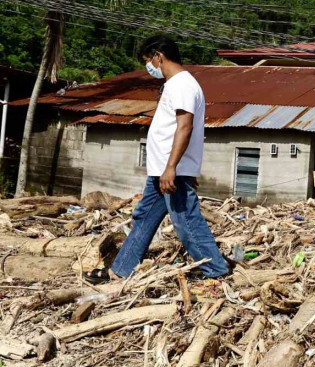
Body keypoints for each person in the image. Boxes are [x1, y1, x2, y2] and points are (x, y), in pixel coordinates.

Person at [84, 35, 228, 284]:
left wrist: (173, 168)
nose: (148, 67)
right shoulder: (176, 84)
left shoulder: (182, 84)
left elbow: (185, 127)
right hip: (162, 171)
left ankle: (216, 270)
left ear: (158, 57)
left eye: (148, 61)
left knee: (186, 222)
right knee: (144, 218)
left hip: (171, 171)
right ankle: (121, 270)